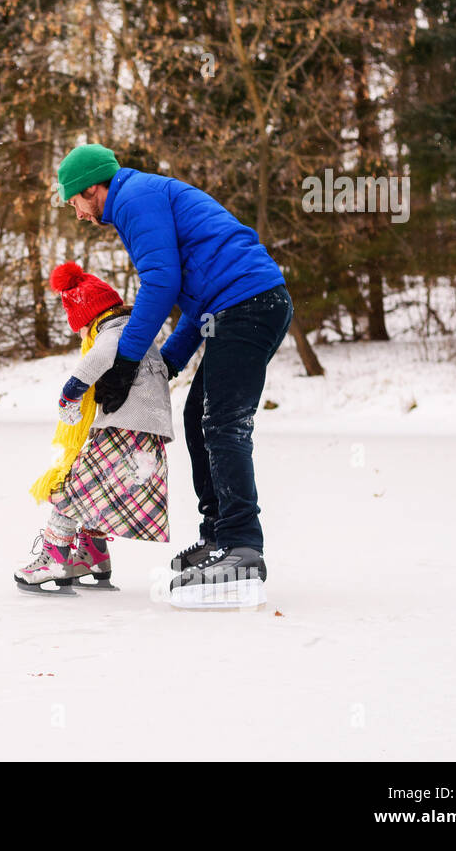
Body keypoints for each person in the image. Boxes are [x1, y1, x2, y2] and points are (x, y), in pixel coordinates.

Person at [55, 143, 293, 609]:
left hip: (249, 304)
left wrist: (126, 361)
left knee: (223, 424)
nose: (77, 213)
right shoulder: (138, 197)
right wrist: (166, 365)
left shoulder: (133, 198)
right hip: (234, 307)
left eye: (74, 201)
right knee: (196, 417)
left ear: (93, 188)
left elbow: (160, 284)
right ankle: (218, 537)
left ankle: (242, 544)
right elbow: (192, 298)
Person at [15, 262, 173, 595]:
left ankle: (54, 558)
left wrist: (70, 393)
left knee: (74, 489)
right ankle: (93, 556)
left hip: (124, 427)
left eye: (79, 329)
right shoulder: (138, 332)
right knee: (97, 493)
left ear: (88, 318)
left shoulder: (111, 332)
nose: (81, 336)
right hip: (145, 432)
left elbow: (99, 357)